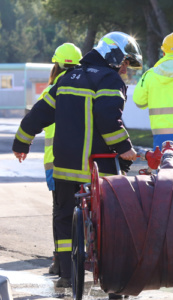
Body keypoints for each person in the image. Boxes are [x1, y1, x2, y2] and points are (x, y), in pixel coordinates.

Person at [12, 31, 141, 288]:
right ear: (113, 55)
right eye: (125, 61)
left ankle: (68, 274)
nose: (126, 67)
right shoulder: (109, 79)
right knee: (109, 220)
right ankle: (109, 271)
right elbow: (107, 117)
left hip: (65, 169)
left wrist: (21, 142)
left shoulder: (67, 78)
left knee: (64, 219)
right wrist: (124, 147)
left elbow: (39, 113)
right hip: (98, 170)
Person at [25, 43, 83, 277]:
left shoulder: (50, 91)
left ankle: (61, 262)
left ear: (56, 65)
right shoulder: (83, 90)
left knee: (60, 212)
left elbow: (36, 120)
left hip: (54, 162)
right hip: (80, 161)